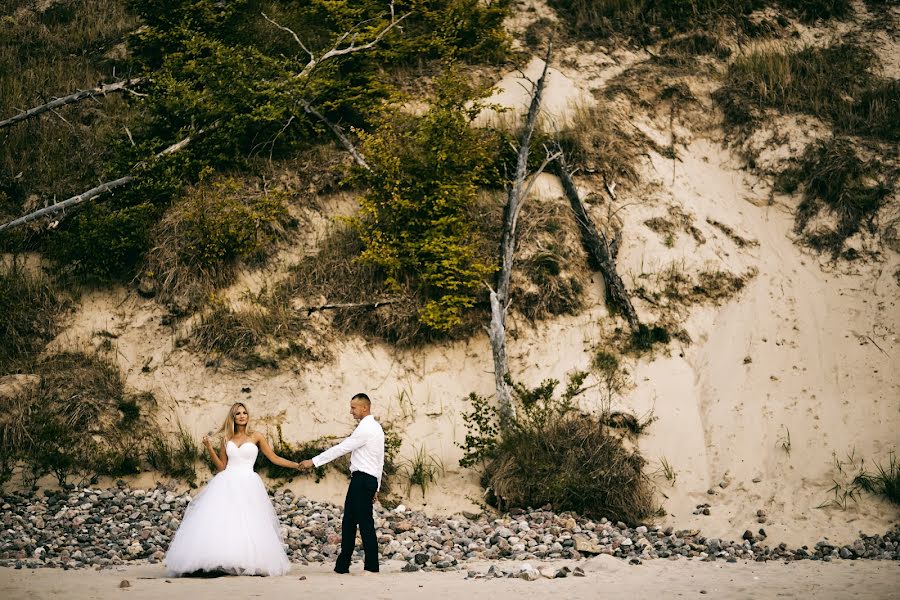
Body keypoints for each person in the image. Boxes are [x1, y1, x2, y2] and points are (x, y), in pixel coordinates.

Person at [164, 402, 300, 576]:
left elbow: (273, 457)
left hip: (249, 482)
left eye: (244, 412)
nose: (242, 415)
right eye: (238, 413)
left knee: (249, 520)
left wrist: (296, 465)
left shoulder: (256, 436)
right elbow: (222, 466)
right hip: (227, 481)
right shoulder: (226, 439)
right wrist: (209, 448)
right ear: (233, 417)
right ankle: (220, 559)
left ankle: (246, 560)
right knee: (225, 520)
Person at [298, 392, 384, 574]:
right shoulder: (376, 428)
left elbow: (342, 448)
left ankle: (371, 567)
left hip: (362, 480)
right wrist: (377, 486)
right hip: (366, 480)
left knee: (363, 523)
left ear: (364, 407)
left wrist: (313, 461)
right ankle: (343, 566)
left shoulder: (366, 429)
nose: (351, 411)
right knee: (349, 522)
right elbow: (380, 460)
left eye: (353, 407)